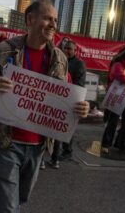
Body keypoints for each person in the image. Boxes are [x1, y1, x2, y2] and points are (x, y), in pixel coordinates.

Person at [0, 0, 90, 212]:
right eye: (47, 18)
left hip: (39, 143)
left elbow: (66, 98)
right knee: (8, 205)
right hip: (7, 140)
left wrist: (81, 108)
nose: (53, 24)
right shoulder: (5, 50)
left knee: (20, 198)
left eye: (55, 20)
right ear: (30, 20)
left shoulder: (60, 58)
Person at [47, 40, 86, 169]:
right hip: (57, 98)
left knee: (65, 128)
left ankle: (66, 152)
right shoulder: (59, 60)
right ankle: (54, 155)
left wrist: (69, 94)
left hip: (70, 99)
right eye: (66, 48)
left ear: (75, 51)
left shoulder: (79, 64)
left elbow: (79, 84)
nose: (67, 51)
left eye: (70, 49)